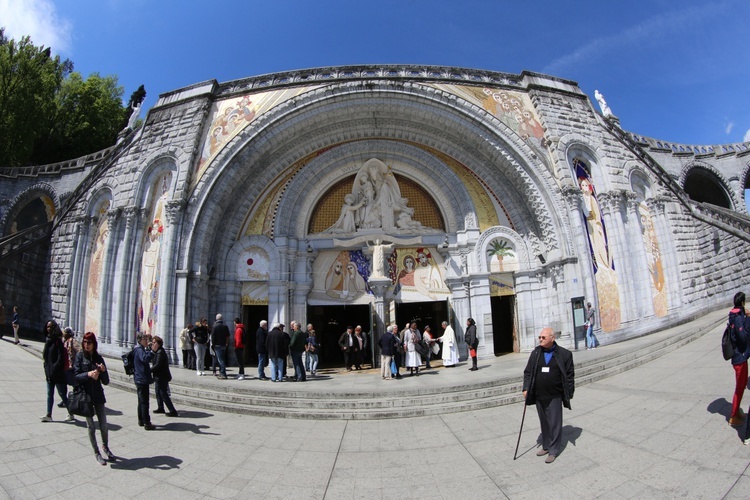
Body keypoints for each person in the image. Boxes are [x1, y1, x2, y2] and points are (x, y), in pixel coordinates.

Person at [522, 327, 575, 464]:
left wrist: (569, 392)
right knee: (544, 422)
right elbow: (528, 372)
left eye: (543, 337)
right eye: (539, 337)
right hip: (540, 394)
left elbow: (569, 376)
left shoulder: (564, 354)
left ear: (552, 338)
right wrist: (526, 388)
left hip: (555, 395)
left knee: (555, 424)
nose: (540, 339)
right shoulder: (536, 353)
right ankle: (546, 446)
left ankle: (553, 450)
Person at [74, 332, 114, 465]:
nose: (86, 345)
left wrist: (102, 371)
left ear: (94, 344)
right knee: (91, 426)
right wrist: (88, 374)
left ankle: (105, 447)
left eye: (89, 342)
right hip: (86, 397)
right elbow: (76, 376)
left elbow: (106, 381)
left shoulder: (99, 358)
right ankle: (96, 452)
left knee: (103, 424)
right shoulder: (80, 357)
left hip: (98, 395)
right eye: (84, 342)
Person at [40, 320, 74, 422]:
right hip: (49, 373)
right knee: (49, 394)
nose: (49, 329)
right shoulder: (48, 340)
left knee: (62, 394)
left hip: (58, 374)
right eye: (47, 327)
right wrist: (46, 367)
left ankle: (71, 413)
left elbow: (60, 359)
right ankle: (49, 414)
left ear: (55, 328)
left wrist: (54, 368)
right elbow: (46, 357)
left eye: (50, 327)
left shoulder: (58, 342)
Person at [728, 292, 749, 427]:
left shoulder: (734, 315)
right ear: (742, 303)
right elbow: (743, 337)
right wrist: (748, 318)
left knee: (741, 386)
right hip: (739, 357)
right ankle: (733, 416)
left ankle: (736, 412)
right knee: (740, 387)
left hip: (740, 356)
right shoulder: (738, 318)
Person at [151, 336, 179, 417]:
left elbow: (158, 365)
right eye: (152, 342)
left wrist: (149, 370)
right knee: (157, 392)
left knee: (163, 393)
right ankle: (160, 407)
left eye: (154, 343)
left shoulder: (160, 352)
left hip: (162, 377)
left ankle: (172, 410)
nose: (152, 344)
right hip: (158, 376)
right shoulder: (157, 351)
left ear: (159, 344)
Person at [133, 332, 156, 430]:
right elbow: (145, 359)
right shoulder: (139, 350)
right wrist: (153, 352)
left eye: (147, 339)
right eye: (145, 339)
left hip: (140, 378)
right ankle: (147, 422)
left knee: (141, 401)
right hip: (142, 379)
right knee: (144, 402)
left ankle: (141, 420)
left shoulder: (139, 349)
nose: (147, 341)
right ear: (139, 340)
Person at [211, 314, 230, 379]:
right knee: (222, 359)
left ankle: (223, 374)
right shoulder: (225, 326)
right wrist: (226, 343)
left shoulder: (215, 326)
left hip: (217, 345)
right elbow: (227, 336)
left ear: (216, 319)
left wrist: (213, 345)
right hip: (224, 345)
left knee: (220, 360)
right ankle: (221, 372)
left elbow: (213, 337)